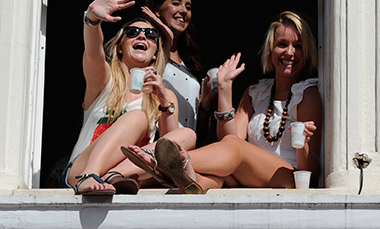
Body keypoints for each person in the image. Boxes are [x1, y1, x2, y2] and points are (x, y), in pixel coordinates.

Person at [122, 11, 322, 192]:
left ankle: (161, 161)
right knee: (218, 173)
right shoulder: (256, 91)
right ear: (270, 50)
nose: (290, 52)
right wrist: (225, 88)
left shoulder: (307, 93)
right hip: (247, 173)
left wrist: (302, 143)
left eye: (298, 46)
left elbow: (311, 170)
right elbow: (229, 139)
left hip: (289, 176)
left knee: (233, 151)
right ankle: (192, 180)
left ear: (308, 53)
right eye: (282, 44)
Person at [64, 0, 189, 195]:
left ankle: (116, 175)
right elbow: (93, 53)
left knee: (187, 134)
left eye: (150, 35)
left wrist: (163, 100)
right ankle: (91, 174)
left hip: (124, 175)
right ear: (120, 46)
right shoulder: (105, 79)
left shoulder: (165, 95)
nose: (142, 37)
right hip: (79, 172)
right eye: (133, 32)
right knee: (137, 118)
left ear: (156, 53)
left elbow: (168, 147)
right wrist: (92, 19)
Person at [144, 0, 216, 142]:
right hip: (155, 148)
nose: (184, 10)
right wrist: (166, 38)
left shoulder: (190, 60)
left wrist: (205, 104)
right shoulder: (147, 52)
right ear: (157, 10)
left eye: (188, 7)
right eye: (176, 3)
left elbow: (200, 133)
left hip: (185, 151)